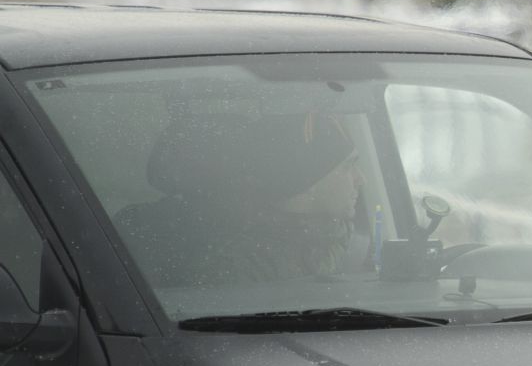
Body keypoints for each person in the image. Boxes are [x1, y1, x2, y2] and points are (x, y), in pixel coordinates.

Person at [118, 112, 361, 287]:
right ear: (310, 179)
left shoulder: (346, 242)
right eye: (348, 167)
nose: (361, 180)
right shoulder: (235, 269)